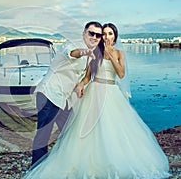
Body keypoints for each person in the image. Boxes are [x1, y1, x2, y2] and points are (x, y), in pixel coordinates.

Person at [24, 23, 170, 178]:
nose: (104, 37)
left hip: (106, 94)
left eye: (107, 34)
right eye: (100, 34)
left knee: (89, 130)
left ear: (115, 36)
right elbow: (82, 68)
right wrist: (82, 79)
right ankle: (39, 166)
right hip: (53, 93)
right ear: (85, 33)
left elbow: (121, 74)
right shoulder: (82, 48)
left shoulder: (118, 53)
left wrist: (110, 54)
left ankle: (102, 159)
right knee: (55, 133)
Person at [31, 21, 103, 165]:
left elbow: (82, 76)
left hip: (64, 100)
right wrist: (83, 52)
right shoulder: (72, 45)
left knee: (69, 132)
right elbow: (72, 53)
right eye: (91, 33)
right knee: (43, 136)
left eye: (98, 35)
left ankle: (63, 164)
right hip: (49, 95)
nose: (94, 37)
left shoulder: (91, 56)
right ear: (84, 34)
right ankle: (36, 169)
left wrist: (80, 85)